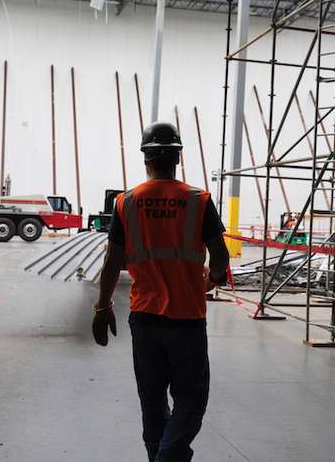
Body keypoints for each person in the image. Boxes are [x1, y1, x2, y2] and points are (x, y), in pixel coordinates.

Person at [92, 121, 230, 462]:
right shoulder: (198, 200)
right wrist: (213, 277)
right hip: (187, 318)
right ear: (178, 158)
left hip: (145, 317)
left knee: (152, 399)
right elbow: (221, 255)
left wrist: (102, 307)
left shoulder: (127, 202)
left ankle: (160, 456)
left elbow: (112, 261)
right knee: (190, 399)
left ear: (146, 159)